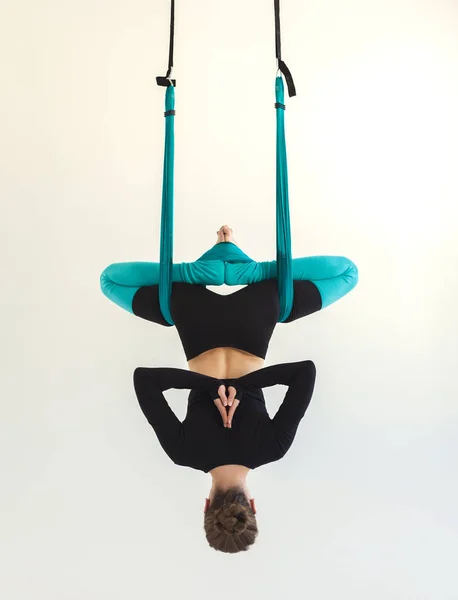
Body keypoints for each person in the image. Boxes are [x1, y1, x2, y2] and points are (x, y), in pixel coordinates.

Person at [100, 226, 358, 553]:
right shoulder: (183, 452)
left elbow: (304, 373)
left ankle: (250, 270)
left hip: (258, 307)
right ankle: (202, 270)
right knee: (110, 281)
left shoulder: (272, 447)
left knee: (347, 273)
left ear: (253, 504)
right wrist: (211, 385)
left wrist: (240, 384)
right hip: (192, 310)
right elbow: (144, 380)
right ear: (206, 506)